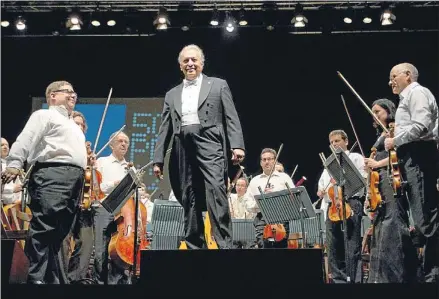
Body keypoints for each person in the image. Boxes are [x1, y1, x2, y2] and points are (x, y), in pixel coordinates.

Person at [153, 44, 245, 249]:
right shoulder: (172, 94)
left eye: (194, 60)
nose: (190, 64)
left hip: (210, 141)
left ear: (202, 63)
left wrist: (237, 145)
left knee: (216, 190)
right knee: (188, 194)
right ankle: (194, 244)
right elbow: (164, 127)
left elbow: (232, 117)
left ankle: (224, 244)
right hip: (182, 145)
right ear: (180, 66)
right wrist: (158, 158)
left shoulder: (218, 85)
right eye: (186, 61)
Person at [1, 81, 86, 284]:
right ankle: (35, 279)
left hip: (73, 179)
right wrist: (14, 162)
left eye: (74, 92)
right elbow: (26, 138)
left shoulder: (71, 123)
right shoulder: (44, 115)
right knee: (44, 227)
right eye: (68, 91)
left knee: (60, 233)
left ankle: (53, 280)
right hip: (53, 174)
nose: (73, 95)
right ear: (52, 96)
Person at [384, 62, 439, 282]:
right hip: (412, 156)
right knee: (420, 215)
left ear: (408, 75)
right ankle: (428, 271)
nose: (390, 82)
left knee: (425, 215)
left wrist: (394, 140)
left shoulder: (418, 92)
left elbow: (422, 126)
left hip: (419, 155)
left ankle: (433, 272)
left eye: (393, 76)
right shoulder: (407, 98)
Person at [363, 99, 417, 283]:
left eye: (378, 111)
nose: (375, 115)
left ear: (389, 111)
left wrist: (377, 163)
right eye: (373, 112)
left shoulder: (396, 130)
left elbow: (400, 156)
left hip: (393, 183)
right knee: (381, 227)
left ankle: (397, 277)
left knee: (392, 224)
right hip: (381, 186)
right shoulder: (382, 134)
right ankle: (381, 278)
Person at [316, 130, 366, 283]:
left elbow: (363, 179)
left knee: (352, 244)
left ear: (346, 141)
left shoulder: (355, 157)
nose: (334, 144)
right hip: (332, 207)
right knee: (333, 246)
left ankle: (354, 280)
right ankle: (339, 279)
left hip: (351, 202)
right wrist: (320, 191)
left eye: (337, 141)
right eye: (332, 142)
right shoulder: (329, 164)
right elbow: (322, 186)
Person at [93, 131, 133, 284]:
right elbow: (98, 188)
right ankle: (99, 284)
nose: (123, 144)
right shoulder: (102, 162)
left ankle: (116, 284)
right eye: (120, 141)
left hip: (123, 212)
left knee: (120, 250)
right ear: (111, 145)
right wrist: (116, 184)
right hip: (103, 209)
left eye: (126, 142)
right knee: (100, 251)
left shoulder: (129, 168)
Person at [64, 111, 95, 283]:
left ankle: (76, 279)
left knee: (86, 241)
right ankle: (60, 279)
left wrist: (91, 165)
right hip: (66, 200)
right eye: (76, 124)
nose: (79, 127)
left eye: (82, 125)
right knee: (63, 241)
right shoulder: (63, 148)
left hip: (84, 204)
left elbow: (92, 183)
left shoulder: (88, 152)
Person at [246, 148, 295, 249]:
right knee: (263, 249)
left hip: (281, 218)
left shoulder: (284, 177)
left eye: (269, 159)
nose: (266, 162)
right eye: (264, 160)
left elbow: (293, 198)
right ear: (260, 162)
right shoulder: (255, 181)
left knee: (281, 250)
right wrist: (259, 202)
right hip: (262, 218)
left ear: (274, 161)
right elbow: (248, 204)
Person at [1, 137, 22, 205]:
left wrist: (19, 200)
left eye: (7, 145)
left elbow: (19, 186)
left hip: (14, 206)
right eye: (2, 145)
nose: (5, 147)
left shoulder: (12, 165)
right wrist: (11, 189)